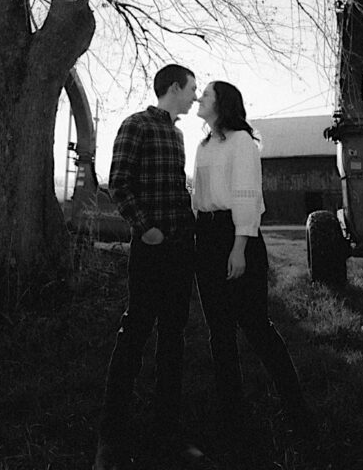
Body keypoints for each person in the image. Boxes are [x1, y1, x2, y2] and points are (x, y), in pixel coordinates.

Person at [94, 64, 201, 470]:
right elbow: (118, 183)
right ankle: (112, 438)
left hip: (179, 250)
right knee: (135, 332)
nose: (196, 95)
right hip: (150, 248)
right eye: (192, 88)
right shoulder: (135, 125)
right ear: (174, 87)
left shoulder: (177, 135)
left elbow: (176, 189)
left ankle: (167, 434)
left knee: (174, 338)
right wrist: (146, 228)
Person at [192, 81, 310, 437]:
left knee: (256, 325)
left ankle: (296, 407)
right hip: (207, 237)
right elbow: (199, 196)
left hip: (237, 236)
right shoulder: (203, 144)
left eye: (207, 94)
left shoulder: (242, 142)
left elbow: (246, 194)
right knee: (219, 332)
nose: (200, 98)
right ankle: (232, 414)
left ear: (222, 103)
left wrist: (239, 247)